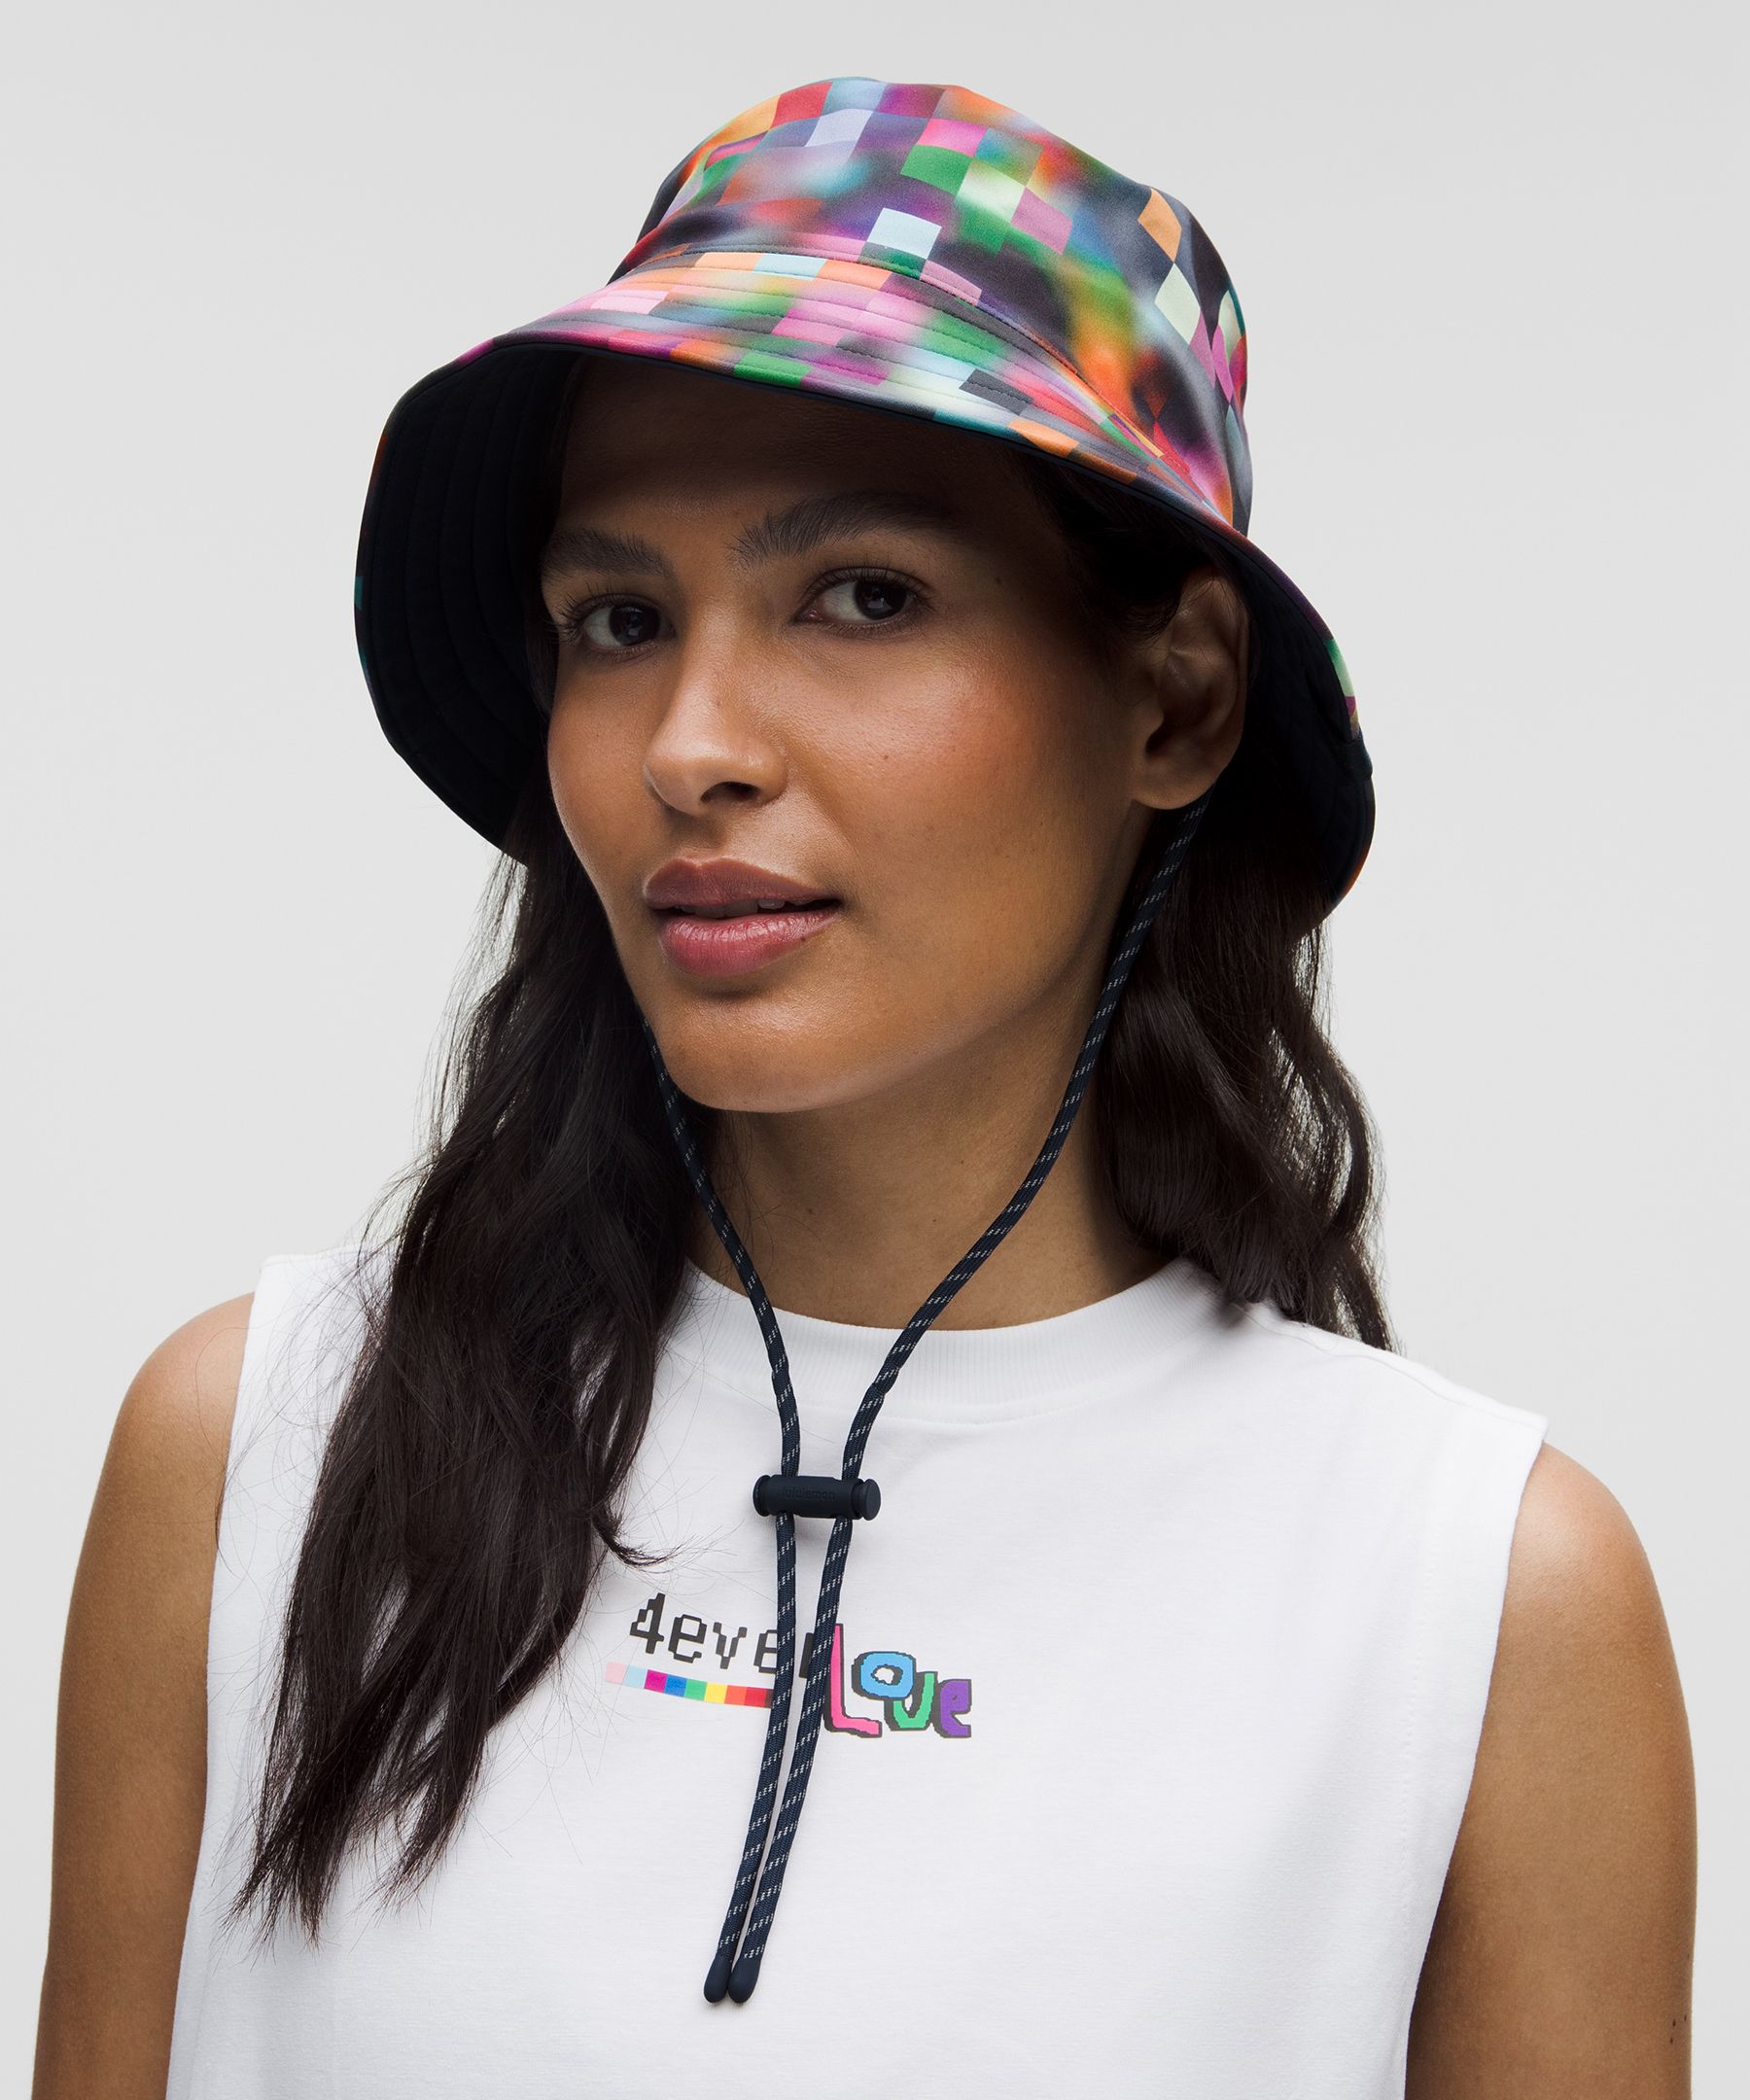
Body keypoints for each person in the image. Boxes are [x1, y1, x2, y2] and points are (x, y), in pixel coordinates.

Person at [34, 75, 1695, 2099]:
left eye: (865, 596)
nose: (691, 745)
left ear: (1174, 700)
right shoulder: (266, 1455)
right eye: (617, 621)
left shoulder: (1478, 1603)